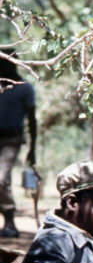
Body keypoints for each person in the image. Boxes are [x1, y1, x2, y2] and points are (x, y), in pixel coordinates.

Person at [0, 53, 36, 237]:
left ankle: (10, 221)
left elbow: (32, 119)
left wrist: (33, 149)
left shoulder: (24, 89)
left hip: (12, 139)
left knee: (1, 178)